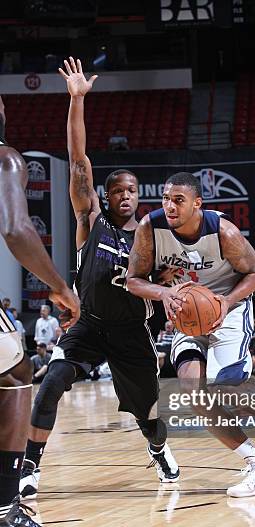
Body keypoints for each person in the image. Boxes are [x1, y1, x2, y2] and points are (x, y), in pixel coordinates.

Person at [20, 57, 179, 501]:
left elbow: (167, 285)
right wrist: (76, 101)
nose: (125, 197)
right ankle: (30, 467)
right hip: (89, 324)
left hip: (132, 333)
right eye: (117, 191)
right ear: (105, 196)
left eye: (132, 191)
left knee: (147, 414)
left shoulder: (152, 239)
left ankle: (158, 448)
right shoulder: (92, 221)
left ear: (138, 196)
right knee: (49, 383)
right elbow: (77, 162)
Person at [127, 171, 255, 498]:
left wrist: (226, 301)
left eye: (178, 200)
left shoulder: (223, 231)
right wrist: (163, 293)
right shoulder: (149, 228)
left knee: (229, 387)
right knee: (193, 392)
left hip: (229, 308)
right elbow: (133, 280)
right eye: (166, 199)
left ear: (198, 203)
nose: (169, 206)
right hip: (187, 312)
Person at [0, 94, 80, 527]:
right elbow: (17, 229)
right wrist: (60, 285)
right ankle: (5, 511)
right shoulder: (6, 158)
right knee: (15, 372)